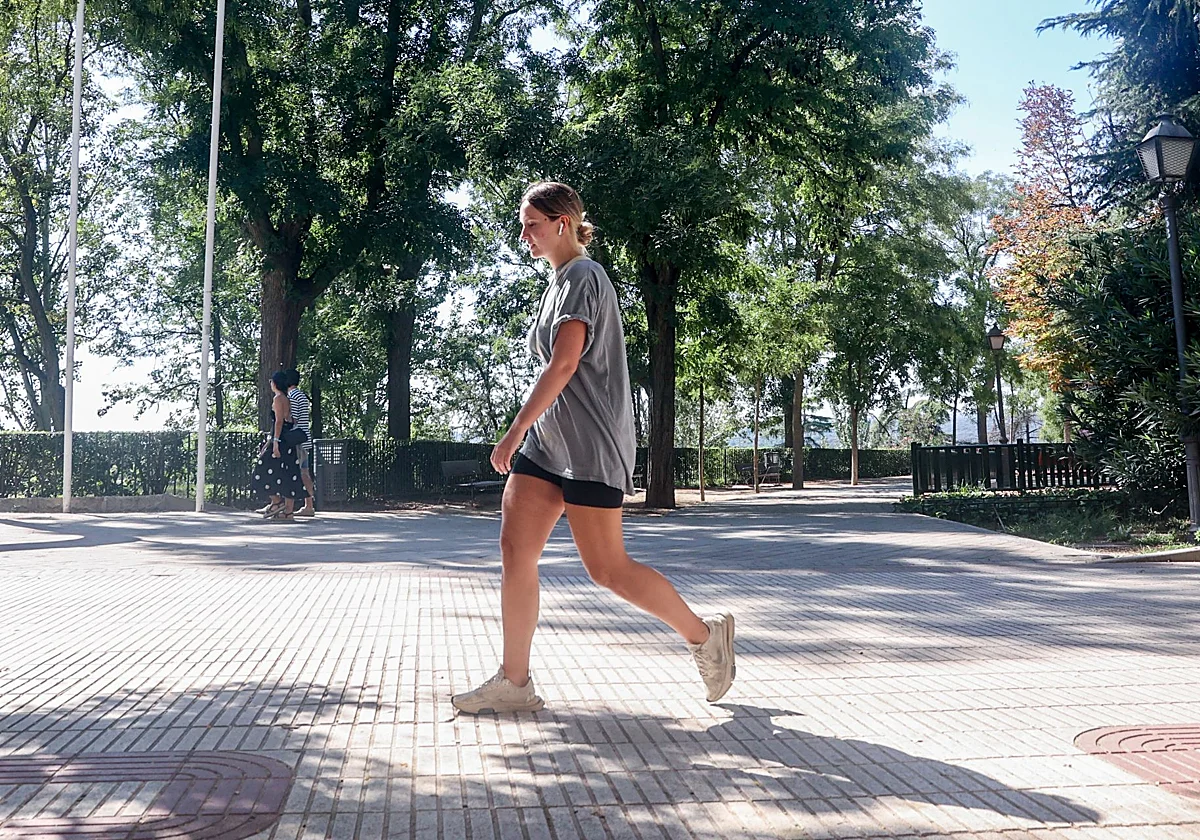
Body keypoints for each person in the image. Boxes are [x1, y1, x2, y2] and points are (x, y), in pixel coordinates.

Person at [451, 181, 735, 715]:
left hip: (591, 448)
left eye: (531, 224)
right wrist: (530, 435)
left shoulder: (583, 275)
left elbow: (563, 363)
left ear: (563, 223)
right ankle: (515, 683)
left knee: (608, 569)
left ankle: (704, 636)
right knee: (516, 552)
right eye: (521, 225)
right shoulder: (558, 282)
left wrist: (513, 431)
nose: (523, 235)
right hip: (550, 445)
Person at [253, 370, 308, 521]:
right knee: (289, 472)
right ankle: (288, 511)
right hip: (287, 440)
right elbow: (291, 419)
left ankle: (276, 502)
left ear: (275, 383)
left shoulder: (278, 398)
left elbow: (279, 421)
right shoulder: (287, 398)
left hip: (280, 438)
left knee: (263, 468)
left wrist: (275, 442)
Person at [284, 368, 316, 516]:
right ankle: (309, 503)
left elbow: (293, 418)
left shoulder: (292, 396)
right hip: (305, 438)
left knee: (302, 473)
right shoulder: (302, 395)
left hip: (297, 440)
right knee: (305, 471)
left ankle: (308, 505)